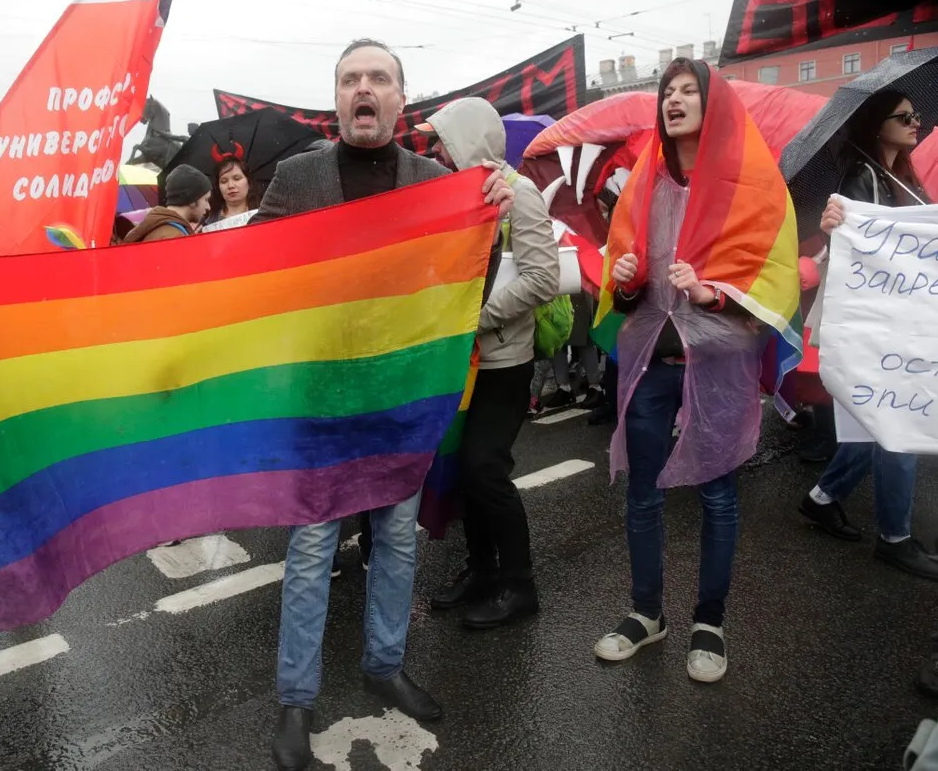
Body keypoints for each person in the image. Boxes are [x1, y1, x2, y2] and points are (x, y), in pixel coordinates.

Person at [252, 38, 515, 771]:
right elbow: (251, 275)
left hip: (399, 404)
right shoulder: (299, 177)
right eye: (349, 80)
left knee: (396, 545)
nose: (362, 88)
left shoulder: (435, 180)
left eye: (377, 78)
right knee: (310, 553)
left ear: (401, 100)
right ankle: (295, 700)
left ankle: (384, 664)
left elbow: (467, 284)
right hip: (321, 403)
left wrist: (488, 217)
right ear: (336, 99)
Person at [592, 58, 799, 684]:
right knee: (643, 494)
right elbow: (622, 281)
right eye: (667, 92)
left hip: (719, 362)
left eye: (688, 91)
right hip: (653, 362)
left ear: (717, 105)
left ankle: (710, 622)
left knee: (717, 494)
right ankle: (646, 613)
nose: (674, 100)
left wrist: (715, 294)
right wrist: (625, 279)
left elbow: (774, 277)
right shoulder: (644, 183)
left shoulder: (753, 185)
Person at [418, 97, 561, 629]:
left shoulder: (518, 195)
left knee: (485, 466)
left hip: (504, 359)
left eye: (444, 139)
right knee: (463, 468)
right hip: (463, 361)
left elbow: (543, 279)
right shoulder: (458, 196)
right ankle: (480, 571)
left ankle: (520, 585)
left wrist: (475, 318)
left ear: (470, 139)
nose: (436, 150)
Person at [800, 91, 934, 579]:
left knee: (871, 423)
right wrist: (835, 227)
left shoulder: (903, 179)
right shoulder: (862, 178)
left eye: (916, 115)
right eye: (904, 117)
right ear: (877, 125)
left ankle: (821, 497)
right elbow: (854, 251)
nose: (915, 122)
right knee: (896, 425)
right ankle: (895, 538)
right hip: (875, 327)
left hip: (898, 322)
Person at [122, 164, 212, 243]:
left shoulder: (165, 229)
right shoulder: (174, 238)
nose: (208, 207)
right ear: (193, 200)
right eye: (206, 200)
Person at [203, 155, 258, 230]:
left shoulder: (262, 216)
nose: (230, 185)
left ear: (249, 183)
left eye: (237, 178)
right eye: (224, 181)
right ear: (218, 187)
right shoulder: (207, 221)